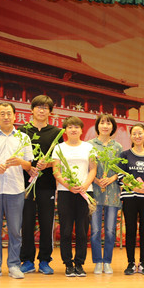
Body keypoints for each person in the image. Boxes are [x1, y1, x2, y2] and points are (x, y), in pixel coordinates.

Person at [0, 102, 34, 279]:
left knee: (15, 231)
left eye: (9, 113)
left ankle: (14, 265)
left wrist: (20, 162)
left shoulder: (23, 138)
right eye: (2, 113)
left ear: (15, 116)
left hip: (15, 189)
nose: (6, 117)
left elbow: (29, 165)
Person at [19, 95, 61, 275]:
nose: (42, 110)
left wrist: (49, 164)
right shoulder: (22, 131)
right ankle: (27, 260)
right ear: (32, 109)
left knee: (46, 224)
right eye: (38, 107)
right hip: (25, 185)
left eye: (45, 108)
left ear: (50, 112)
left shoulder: (56, 133)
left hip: (47, 185)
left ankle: (44, 260)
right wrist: (28, 167)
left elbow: (61, 159)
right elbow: (17, 156)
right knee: (26, 223)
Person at [52, 116, 96, 277]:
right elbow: (56, 171)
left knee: (83, 231)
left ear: (81, 130)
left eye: (76, 127)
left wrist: (85, 185)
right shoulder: (59, 148)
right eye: (70, 127)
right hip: (66, 192)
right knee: (66, 230)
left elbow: (93, 169)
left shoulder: (89, 147)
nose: (73, 130)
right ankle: (68, 264)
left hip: (85, 192)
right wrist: (69, 186)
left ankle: (79, 263)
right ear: (65, 130)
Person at [117, 124, 144, 275]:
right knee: (130, 230)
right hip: (130, 197)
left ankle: (143, 262)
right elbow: (121, 176)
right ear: (130, 136)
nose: (137, 136)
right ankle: (130, 263)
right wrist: (135, 188)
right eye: (134, 133)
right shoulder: (124, 155)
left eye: (140, 133)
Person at [88, 114, 123, 274]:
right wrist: (95, 179)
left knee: (110, 230)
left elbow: (120, 169)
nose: (105, 126)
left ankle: (107, 261)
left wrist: (111, 178)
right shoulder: (89, 145)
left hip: (112, 193)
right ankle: (97, 261)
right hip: (95, 192)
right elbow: (87, 168)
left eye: (109, 123)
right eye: (102, 123)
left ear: (113, 127)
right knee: (95, 230)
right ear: (97, 126)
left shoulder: (118, 147)